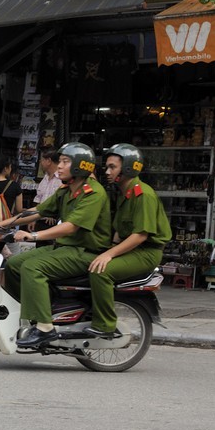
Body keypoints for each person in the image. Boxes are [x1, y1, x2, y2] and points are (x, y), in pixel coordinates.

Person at [1, 141, 112, 348]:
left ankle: (45, 328)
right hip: (65, 249)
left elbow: (70, 227)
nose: (58, 166)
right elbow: (38, 211)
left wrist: (33, 236)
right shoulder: (66, 190)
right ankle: (36, 314)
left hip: (85, 252)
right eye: (60, 161)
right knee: (14, 265)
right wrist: (2, 224)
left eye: (65, 161)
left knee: (32, 268)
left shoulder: (93, 193)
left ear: (81, 165)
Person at [86, 143, 171, 339]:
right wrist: (108, 249)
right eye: (106, 167)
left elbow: (140, 235)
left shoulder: (143, 194)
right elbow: (119, 231)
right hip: (133, 249)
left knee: (101, 272)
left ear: (128, 168)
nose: (107, 172)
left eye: (112, 167)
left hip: (146, 252)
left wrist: (108, 254)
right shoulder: (125, 192)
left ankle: (105, 325)